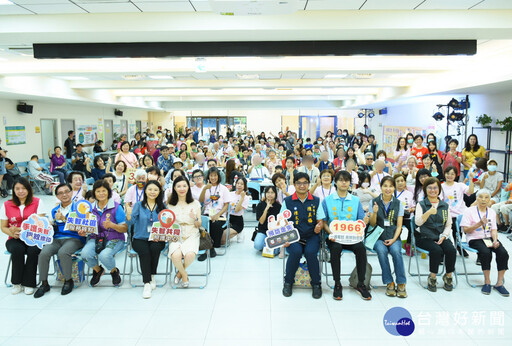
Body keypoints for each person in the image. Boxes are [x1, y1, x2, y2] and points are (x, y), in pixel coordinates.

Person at [317, 170, 372, 300]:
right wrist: (332, 233)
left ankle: (360, 283)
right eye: (340, 180)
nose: (343, 182)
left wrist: (365, 221)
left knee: (361, 249)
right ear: (335, 182)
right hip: (334, 236)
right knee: (335, 249)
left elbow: (360, 220)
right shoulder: (327, 200)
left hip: (352, 237)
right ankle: (337, 283)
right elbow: (324, 222)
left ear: (349, 183)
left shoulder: (355, 200)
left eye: (346, 180)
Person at [34, 183, 85, 298]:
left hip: (75, 238)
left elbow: (82, 226)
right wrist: (50, 224)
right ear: (57, 196)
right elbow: (50, 226)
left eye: (67, 191)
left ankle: (68, 280)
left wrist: (64, 218)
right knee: (44, 253)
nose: (64, 195)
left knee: (63, 252)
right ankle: (44, 283)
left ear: (72, 192)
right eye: (61, 193)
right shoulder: (54, 210)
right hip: (57, 239)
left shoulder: (80, 208)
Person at [281, 172, 323, 299]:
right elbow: (282, 222)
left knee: (310, 252)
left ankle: (316, 284)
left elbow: (320, 220)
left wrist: (319, 226)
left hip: (312, 235)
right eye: (299, 183)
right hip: (294, 237)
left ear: (309, 184)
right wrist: (286, 238)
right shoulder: (287, 201)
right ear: (294, 185)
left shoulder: (316, 200)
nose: (302, 186)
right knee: (295, 252)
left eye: (305, 183)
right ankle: (288, 282)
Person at [460, 189, 510, 296]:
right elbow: (465, 230)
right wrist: (478, 224)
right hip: (474, 238)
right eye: (481, 197)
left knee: (503, 253)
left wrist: (495, 240)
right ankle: (487, 282)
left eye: (486, 197)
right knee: (486, 252)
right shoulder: (469, 211)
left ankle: (499, 283)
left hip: (489, 238)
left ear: (489, 199)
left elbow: (494, 229)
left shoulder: (491, 211)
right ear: (476, 198)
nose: (483, 199)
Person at [0, 178, 45, 295]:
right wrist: (11, 232)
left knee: (33, 250)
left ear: (29, 189)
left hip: (34, 237)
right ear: (13, 190)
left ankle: (29, 283)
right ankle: (16, 283)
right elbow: (3, 226)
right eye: (17, 189)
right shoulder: (6, 205)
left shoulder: (37, 202)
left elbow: (41, 224)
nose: (21, 191)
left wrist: (20, 229)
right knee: (17, 249)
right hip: (14, 238)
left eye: (24, 188)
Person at [81, 180, 128, 287]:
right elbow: (87, 226)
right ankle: (98, 270)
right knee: (84, 254)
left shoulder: (116, 207)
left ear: (108, 192)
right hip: (95, 238)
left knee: (104, 255)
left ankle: (113, 271)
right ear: (94, 193)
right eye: (98, 191)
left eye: (104, 191)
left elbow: (125, 228)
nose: (101, 193)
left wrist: (113, 225)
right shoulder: (90, 208)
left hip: (115, 238)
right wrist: (83, 231)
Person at [125, 180, 166, 298]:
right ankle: (146, 283)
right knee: (145, 252)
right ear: (145, 191)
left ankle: (152, 275)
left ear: (159, 192)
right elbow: (130, 222)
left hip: (157, 238)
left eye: (156, 190)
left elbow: (167, 224)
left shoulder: (163, 206)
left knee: (155, 248)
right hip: (140, 238)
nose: (152, 192)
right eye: (150, 189)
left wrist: (160, 236)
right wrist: (128, 214)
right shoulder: (138, 205)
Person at [414, 177, 456, 292]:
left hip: (440, 236)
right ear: (425, 189)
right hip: (424, 237)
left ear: (439, 189)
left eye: (435, 187)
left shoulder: (444, 205)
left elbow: (448, 224)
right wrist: (428, 212)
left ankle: (448, 276)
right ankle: (432, 277)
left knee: (451, 250)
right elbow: (418, 222)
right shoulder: (421, 204)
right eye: (430, 188)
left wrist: (444, 236)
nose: (433, 190)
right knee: (436, 250)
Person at [369, 176, 407, 298]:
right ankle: (389, 281)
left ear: (394, 188)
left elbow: (399, 225)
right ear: (381, 187)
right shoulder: (373, 202)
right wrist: (374, 212)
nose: (388, 189)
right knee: (381, 251)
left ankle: (401, 282)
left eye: (390, 186)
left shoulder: (398, 203)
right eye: (385, 186)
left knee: (396, 251)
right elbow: (372, 224)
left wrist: (394, 239)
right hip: (378, 237)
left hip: (393, 235)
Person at [198, 167, 230, 260]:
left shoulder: (223, 189)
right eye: (211, 175)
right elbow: (201, 201)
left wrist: (217, 215)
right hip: (208, 214)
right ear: (208, 176)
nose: (213, 177)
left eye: (215, 175)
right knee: (203, 226)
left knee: (215, 224)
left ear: (218, 176)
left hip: (220, 215)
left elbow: (226, 205)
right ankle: (208, 249)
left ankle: (209, 248)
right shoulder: (206, 187)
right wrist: (205, 189)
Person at [442, 166, 475, 257]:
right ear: (444, 174)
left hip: (461, 214)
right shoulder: (441, 187)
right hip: (448, 215)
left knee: (464, 232)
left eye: (452, 174)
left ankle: (459, 246)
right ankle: (455, 247)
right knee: (452, 231)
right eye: (448, 173)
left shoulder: (460, 185)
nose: (450, 176)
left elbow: (471, 191)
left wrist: (471, 180)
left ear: (456, 175)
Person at [254, 186, 282, 253]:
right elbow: (261, 222)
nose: (270, 194)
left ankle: (267, 245)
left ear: (275, 194)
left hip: (274, 232)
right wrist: (266, 209)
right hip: (263, 230)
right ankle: (266, 244)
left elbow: (280, 221)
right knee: (257, 246)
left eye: (272, 192)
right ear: (265, 194)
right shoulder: (260, 205)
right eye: (268, 192)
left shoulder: (278, 206)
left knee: (274, 252)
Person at [393, 173, 415, 255]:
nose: (400, 183)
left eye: (402, 180)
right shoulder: (392, 193)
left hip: (406, 217)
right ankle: (396, 245)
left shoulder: (409, 194)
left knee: (413, 228)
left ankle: (408, 244)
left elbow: (413, 206)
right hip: (395, 217)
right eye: (397, 181)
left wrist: (412, 209)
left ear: (405, 182)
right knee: (396, 228)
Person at [225, 177, 250, 244]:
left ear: (245, 186)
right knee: (221, 240)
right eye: (238, 183)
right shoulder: (230, 194)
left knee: (225, 237)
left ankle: (239, 232)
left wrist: (242, 198)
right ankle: (235, 233)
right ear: (235, 184)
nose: (239, 185)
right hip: (228, 218)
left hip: (237, 220)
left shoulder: (246, 198)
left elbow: (236, 210)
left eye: (242, 184)